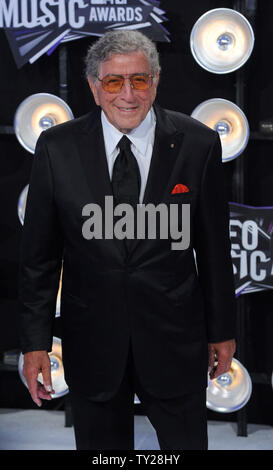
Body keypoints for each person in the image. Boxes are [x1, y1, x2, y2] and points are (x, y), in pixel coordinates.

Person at [19, 30, 236, 451]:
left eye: (139, 80)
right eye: (114, 82)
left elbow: (213, 251)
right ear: (94, 88)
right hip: (92, 341)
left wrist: (223, 331)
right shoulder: (56, 148)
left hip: (175, 338)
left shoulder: (198, 143)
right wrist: (33, 344)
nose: (128, 94)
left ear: (155, 81)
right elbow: (39, 259)